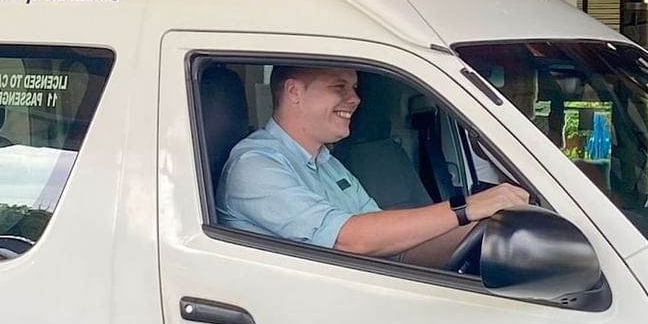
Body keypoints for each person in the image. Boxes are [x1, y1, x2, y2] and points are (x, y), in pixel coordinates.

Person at [218, 65, 530, 269]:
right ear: (293, 92)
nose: (354, 99)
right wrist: (465, 208)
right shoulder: (255, 166)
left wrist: (487, 228)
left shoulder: (326, 163)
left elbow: (386, 239)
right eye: (339, 86)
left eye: (354, 88)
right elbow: (348, 239)